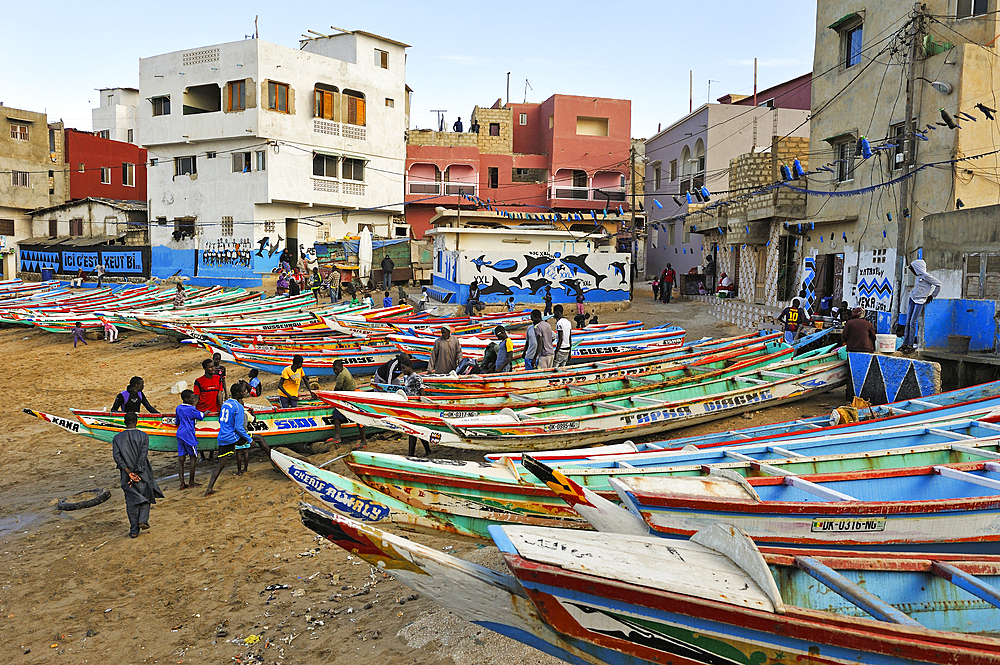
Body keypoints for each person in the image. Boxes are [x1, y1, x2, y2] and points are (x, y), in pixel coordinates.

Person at [112, 411, 163, 538]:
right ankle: (143, 519)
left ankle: (134, 531)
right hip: (143, 472)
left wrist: (129, 473)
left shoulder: (117, 438)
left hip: (126, 474)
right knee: (146, 494)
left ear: (124, 422)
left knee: (131, 501)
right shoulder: (143, 436)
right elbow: (142, 455)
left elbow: (117, 458)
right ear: (137, 421)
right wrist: (137, 471)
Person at [204, 383, 261, 495]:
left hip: (222, 437)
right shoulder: (238, 406)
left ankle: (209, 488)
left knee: (221, 464)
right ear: (238, 393)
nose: (245, 393)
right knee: (259, 439)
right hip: (232, 437)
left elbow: (221, 421)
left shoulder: (225, 404)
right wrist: (250, 441)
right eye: (243, 391)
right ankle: (272, 456)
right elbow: (238, 428)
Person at [902, 259, 942, 354]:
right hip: (912, 298)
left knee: (912, 322)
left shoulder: (926, 276)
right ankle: (905, 343)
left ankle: (910, 344)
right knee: (907, 322)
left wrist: (932, 296)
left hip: (920, 301)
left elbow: (939, 284)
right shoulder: (918, 276)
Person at [398, 358, 432, 456]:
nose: (402, 370)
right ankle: (427, 450)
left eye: (404, 368)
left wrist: (422, 406)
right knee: (416, 429)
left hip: (417, 407)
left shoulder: (416, 377)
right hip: (410, 406)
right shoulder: (407, 377)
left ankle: (411, 454)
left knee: (413, 430)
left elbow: (422, 392)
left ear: (409, 367)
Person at [842, 307, 877, 399]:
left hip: (852, 350)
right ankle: (864, 396)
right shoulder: (868, 324)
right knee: (865, 373)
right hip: (867, 350)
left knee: (851, 375)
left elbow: (844, 336)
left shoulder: (849, 323)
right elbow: (874, 337)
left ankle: (850, 396)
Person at [175, 389, 204, 490]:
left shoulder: (178, 408)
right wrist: (207, 412)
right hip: (188, 434)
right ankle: (191, 481)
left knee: (181, 458)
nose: (194, 399)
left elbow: (176, 422)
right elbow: (201, 416)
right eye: (192, 398)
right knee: (193, 456)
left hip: (180, 433)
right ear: (186, 399)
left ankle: (182, 482)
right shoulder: (191, 409)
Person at [329, 359, 357, 442]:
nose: (335, 371)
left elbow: (337, 390)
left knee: (336, 414)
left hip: (350, 397)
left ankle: (337, 436)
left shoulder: (341, 375)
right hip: (351, 393)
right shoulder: (345, 370)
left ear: (341, 367)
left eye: (336, 369)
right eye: (334, 369)